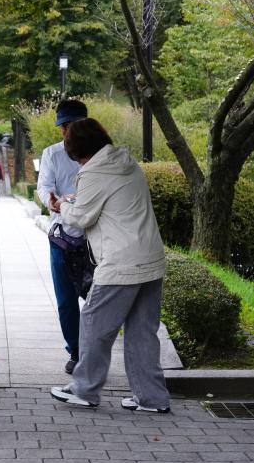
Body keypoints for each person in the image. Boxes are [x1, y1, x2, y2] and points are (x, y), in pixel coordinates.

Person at [48, 118, 170, 414]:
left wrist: (60, 206)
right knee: (142, 332)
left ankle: (84, 389)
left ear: (75, 151)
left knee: (92, 321)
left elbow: (80, 219)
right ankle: (151, 398)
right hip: (150, 259)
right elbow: (110, 202)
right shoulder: (125, 162)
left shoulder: (93, 172)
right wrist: (75, 201)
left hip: (121, 262)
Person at [36, 99, 93, 375]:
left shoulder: (102, 154)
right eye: (64, 127)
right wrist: (58, 202)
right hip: (63, 237)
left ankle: (94, 349)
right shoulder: (52, 154)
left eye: (74, 125)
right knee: (66, 298)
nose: (68, 132)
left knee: (98, 296)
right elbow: (44, 187)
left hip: (95, 236)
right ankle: (77, 350)